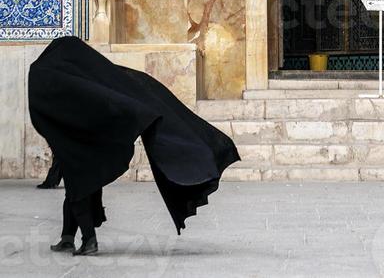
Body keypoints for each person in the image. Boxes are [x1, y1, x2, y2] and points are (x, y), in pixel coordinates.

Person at [29, 36, 240, 256]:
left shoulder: (57, 78)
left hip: (79, 148)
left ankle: (89, 240)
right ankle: (67, 238)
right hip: (84, 147)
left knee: (78, 192)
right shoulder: (78, 81)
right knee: (78, 191)